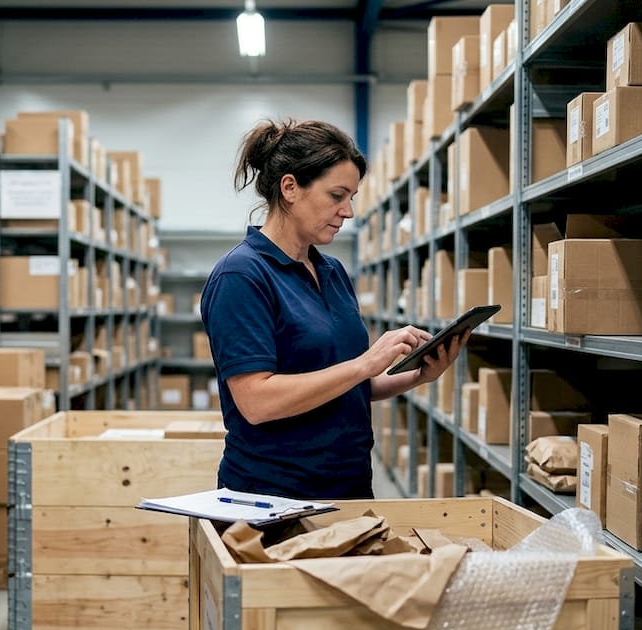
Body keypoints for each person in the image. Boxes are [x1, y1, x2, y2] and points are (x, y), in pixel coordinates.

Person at [199, 118, 467, 500]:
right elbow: (256, 401)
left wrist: (417, 376)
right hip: (272, 498)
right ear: (290, 188)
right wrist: (365, 363)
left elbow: (349, 386)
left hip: (348, 488)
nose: (349, 211)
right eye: (337, 195)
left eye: (352, 197)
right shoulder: (241, 276)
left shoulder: (332, 272)